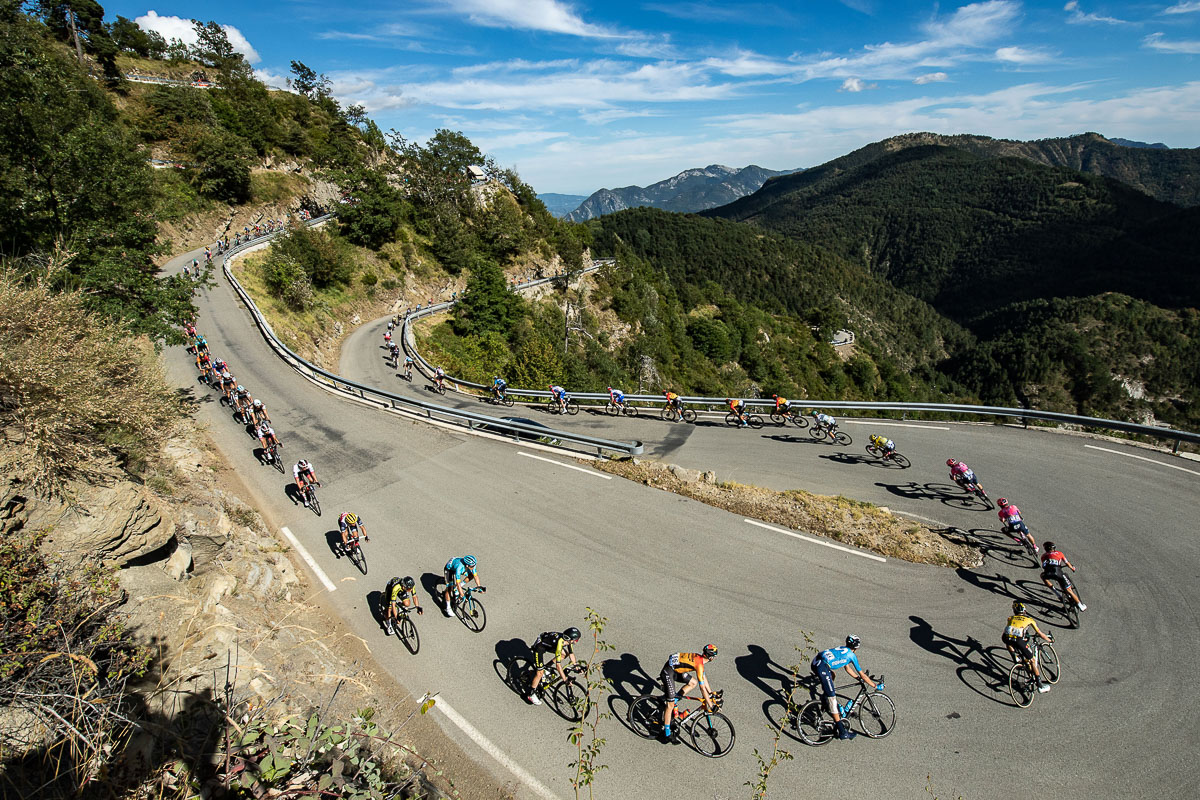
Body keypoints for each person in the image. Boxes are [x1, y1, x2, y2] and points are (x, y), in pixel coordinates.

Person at [810, 635, 879, 740]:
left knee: (832, 675)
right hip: (822, 667)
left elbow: (847, 668)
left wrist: (857, 678)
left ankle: (825, 697)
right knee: (832, 699)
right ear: (856, 647)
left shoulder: (843, 649)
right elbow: (863, 675)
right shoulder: (851, 655)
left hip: (816, 662)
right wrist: (875, 685)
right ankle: (842, 732)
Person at [660, 645, 718, 743]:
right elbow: (702, 688)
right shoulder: (699, 665)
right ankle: (667, 734)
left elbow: (703, 678)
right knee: (669, 705)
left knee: (693, 683)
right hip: (668, 671)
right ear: (711, 658)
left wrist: (711, 693)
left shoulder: (699, 659)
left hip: (676, 669)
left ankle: (675, 700)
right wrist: (711, 705)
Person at [1002, 601, 1054, 693]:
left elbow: (1015, 628)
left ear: (1014, 611)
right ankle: (1040, 685)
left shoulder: (1010, 618)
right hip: (1019, 641)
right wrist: (1050, 640)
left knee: (1008, 641)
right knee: (1032, 660)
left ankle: (1015, 657)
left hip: (1006, 638)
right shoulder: (1030, 620)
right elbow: (1040, 634)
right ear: (1025, 611)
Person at [527, 627, 582, 705]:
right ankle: (531, 694)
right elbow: (558, 666)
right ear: (569, 639)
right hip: (540, 647)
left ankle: (547, 667)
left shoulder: (568, 641)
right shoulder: (560, 642)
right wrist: (565, 680)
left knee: (564, 654)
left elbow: (571, 654)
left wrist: (576, 665)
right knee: (540, 673)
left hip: (549, 644)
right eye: (576, 640)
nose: (576, 642)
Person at [1040, 542, 1086, 611]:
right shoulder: (1059, 553)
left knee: (1042, 576)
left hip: (1048, 573)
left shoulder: (1043, 556)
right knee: (1069, 590)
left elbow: (1044, 566)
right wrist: (1072, 568)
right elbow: (1067, 563)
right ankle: (1080, 605)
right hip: (1058, 573)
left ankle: (1057, 594)